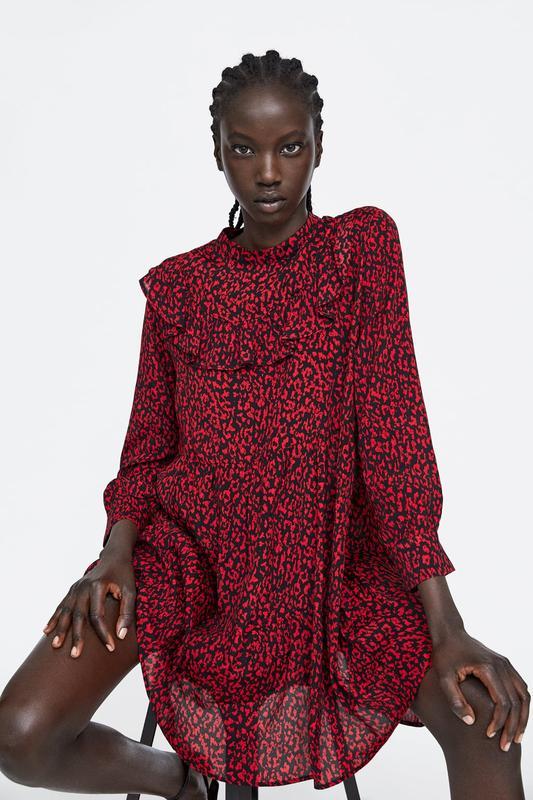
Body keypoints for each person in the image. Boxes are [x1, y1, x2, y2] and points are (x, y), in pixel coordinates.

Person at [0, 49, 529, 800]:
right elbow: (146, 451)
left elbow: (396, 438)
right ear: (217, 152)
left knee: (482, 718)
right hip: (192, 565)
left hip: (334, 565)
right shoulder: (180, 289)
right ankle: (178, 781)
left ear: (319, 145)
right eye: (244, 149)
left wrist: (447, 628)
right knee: (19, 733)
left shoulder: (359, 252)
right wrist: (112, 557)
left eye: (290, 146)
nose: (270, 172)